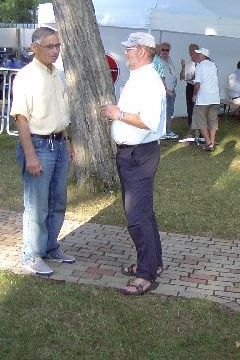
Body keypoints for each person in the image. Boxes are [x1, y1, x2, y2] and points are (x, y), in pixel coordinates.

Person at [100, 32, 166, 296]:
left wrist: (117, 114)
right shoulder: (139, 77)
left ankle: (146, 275)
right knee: (143, 213)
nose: (125, 52)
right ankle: (152, 263)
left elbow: (148, 120)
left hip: (139, 154)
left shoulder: (148, 80)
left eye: (129, 48)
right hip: (133, 154)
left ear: (141, 51)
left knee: (137, 216)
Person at [10, 27, 76, 276]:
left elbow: (61, 115)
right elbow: (21, 118)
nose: (55, 51)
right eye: (50, 46)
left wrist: (67, 142)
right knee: (37, 205)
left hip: (58, 145)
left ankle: (50, 247)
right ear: (34, 47)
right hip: (38, 145)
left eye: (58, 46)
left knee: (57, 201)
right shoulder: (26, 76)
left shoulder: (57, 74)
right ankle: (31, 255)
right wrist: (30, 155)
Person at [192, 47, 220, 151]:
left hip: (203, 98)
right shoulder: (213, 65)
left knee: (201, 121)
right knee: (213, 120)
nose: (197, 56)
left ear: (202, 56)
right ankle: (212, 142)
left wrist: (194, 95)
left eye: (198, 54)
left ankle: (208, 143)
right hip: (215, 97)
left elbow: (197, 83)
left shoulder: (200, 66)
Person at [158, 42, 178, 140]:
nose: (165, 52)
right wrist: (166, 89)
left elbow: (172, 74)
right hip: (163, 91)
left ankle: (167, 131)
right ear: (160, 50)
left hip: (171, 90)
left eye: (167, 50)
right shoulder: (158, 61)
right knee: (163, 112)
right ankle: (164, 132)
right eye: (163, 49)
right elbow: (159, 78)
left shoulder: (169, 60)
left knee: (169, 111)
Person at [180, 43, 200, 140]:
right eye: (189, 50)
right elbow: (182, 77)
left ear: (197, 51)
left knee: (200, 109)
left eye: (193, 50)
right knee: (190, 109)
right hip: (190, 87)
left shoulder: (202, 63)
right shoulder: (189, 64)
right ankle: (191, 130)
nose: (190, 52)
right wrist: (183, 67)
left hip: (200, 88)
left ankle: (200, 130)